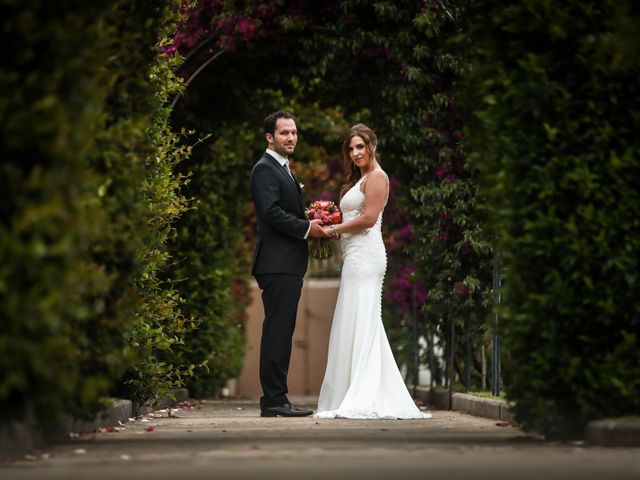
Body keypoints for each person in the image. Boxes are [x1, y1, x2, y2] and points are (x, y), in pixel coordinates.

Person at [315, 124, 432, 419]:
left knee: (362, 319)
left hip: (366, 257)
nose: (355, 153)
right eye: (351, 148)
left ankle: (363, 393)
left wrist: (332, 228)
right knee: (356, 320)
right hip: (353, 256)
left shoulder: (378, 177)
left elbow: (368, 219)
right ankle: (356, 389)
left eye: (360, 147)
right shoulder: (362, 179)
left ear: (372, 146)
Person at [250, 111, 328, 417]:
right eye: (284, 133)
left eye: (294, 132)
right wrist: (308, 228)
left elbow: (282, 210)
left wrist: (308, 221)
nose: (291, 138)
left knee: (281, 331)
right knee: (277, 332)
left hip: (287, 263)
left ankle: (276, 398)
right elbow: (270, 212)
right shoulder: (264, 169)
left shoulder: (284, 169)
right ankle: (273, 400)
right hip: (277, 263)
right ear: (270, 137)